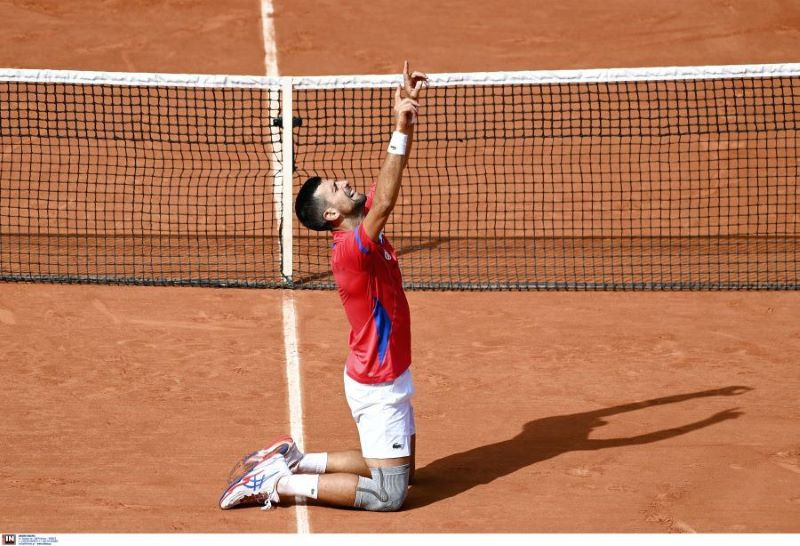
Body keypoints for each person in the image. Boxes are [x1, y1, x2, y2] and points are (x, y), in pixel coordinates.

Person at [220, 61, 427, 512]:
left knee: (404, 472)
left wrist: (405, 122)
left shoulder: (358, 224)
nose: (347, 183)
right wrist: (397, 123)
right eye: (337, 187)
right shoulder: (353, 247)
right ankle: (278, 486)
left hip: (386, 371)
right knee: (390, 494)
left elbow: (388, 181)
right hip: (379, 382)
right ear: (331, 215)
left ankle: (295, 460)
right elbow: (388, 198)